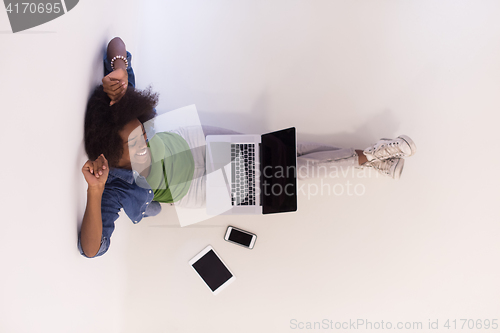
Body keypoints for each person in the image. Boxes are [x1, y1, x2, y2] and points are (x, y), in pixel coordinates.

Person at [79, 37, 417, 258]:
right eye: (135, 148)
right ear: (108, 157)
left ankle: (370, 158)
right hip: (201, 189)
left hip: (197, 140)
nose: (145, 145)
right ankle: (371, 155)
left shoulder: (121, 110)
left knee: (286, 151)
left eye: (144, 134)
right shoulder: (113, 188)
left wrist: (120, 67)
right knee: (291, 176)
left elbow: (116, 43)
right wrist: (94, 193)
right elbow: (91, 249)